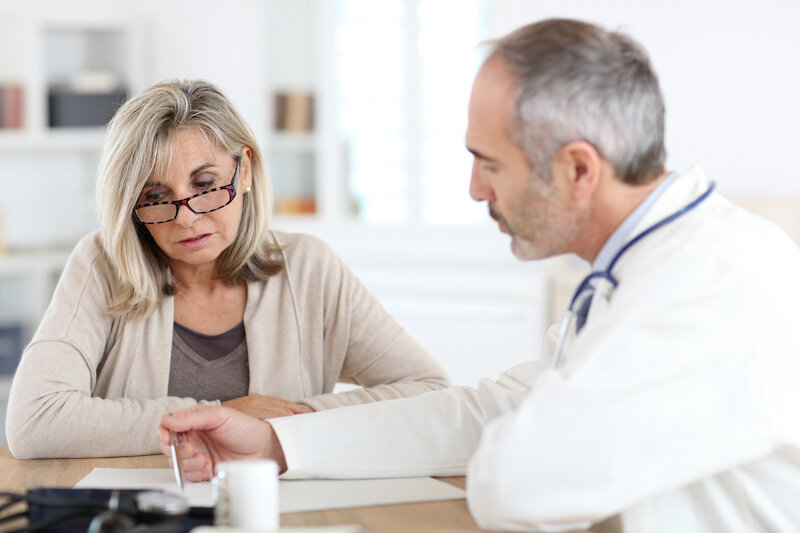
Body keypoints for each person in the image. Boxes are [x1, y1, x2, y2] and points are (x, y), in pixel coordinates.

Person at [158, 19, 800, 532]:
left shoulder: (713, 282)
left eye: (488, 163)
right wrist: (277, 441)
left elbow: (518, 482)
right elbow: (488, 412)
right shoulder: (641, 270)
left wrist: (517, 431)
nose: (473, 189)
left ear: (579, 170)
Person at [5, 79, 450, 460]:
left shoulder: (310, 268)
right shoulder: (102, 263)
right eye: (156, 196)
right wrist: (226, 415)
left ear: (247, 170)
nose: (186, 216)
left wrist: (292, 425)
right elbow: (34, 420)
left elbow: (430, 391)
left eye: (205, 184)